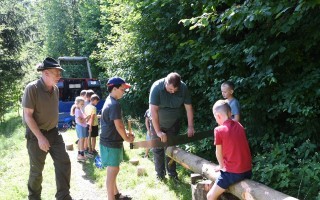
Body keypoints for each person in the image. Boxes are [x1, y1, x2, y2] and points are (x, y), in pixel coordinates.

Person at [22, 57, 72, 200]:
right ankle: (34, 197)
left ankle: (63, 196)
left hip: (54, 133)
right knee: (37, 170)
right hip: (36, 135)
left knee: (63, 162)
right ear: (45, 73)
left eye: (59, 73)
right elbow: (28, 116)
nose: (59, 76)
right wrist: (40, 138)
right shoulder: (32, 89)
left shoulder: (55, 89)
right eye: (56, 73)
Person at [149, 72, 194, 181]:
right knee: (158, 149)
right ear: (165, 83)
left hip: (173, 124)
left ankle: (172, 175)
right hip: (157, 123)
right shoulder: (156, 88)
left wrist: (190, 126)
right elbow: (153, 111)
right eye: (170, 90)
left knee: (171, 150)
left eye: (175, 90)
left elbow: (189, 108)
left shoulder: (183, 88)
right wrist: (158, 131)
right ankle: (160, 175)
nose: (173, 92)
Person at [207, 100, 252, 200]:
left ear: (218, 116)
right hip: (247, 170)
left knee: (209, 196)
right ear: (230, 113)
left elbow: (218, 152)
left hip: (233, 172)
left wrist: (221, 166)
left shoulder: (218, 130)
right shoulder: (240, 126)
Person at [100, 77, 134, 200]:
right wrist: (126, 138)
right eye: (122, 89)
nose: (124, 92)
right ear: (114, 88)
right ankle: (111, 198)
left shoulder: (110, 101)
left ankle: (116, 194)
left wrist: (125, 134)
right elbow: (119, 125)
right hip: (110, 142)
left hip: (110, 141)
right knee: (113, 170)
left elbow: (114, 125)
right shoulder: (114, 104)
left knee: (113, 168)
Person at [70, 96, 87, 161]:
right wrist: (86, 117)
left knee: (81, 140)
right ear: (77, 103)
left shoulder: (79, 109)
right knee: (81, 140)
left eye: (83, 104)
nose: (82, 105)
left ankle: (80, 154)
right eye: (81, 104)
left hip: (81, 126)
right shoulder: (77, 110)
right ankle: (81, 155)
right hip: (80, 126)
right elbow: (81, 121)